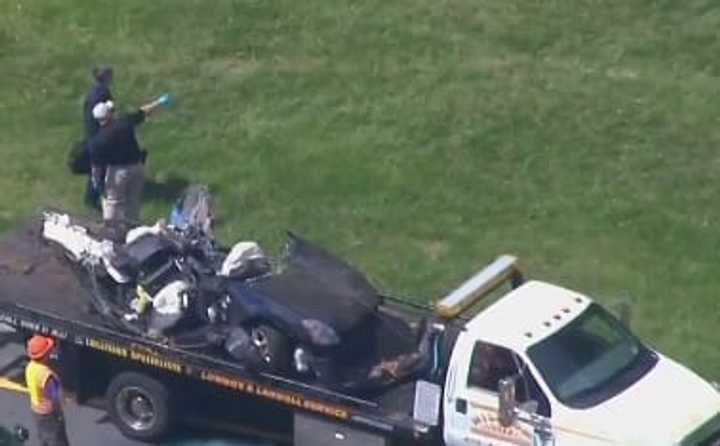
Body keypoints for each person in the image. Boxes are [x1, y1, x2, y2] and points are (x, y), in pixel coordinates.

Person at [88, 94, 172, 223]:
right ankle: (133, 229)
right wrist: (159, 102)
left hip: (117, 173)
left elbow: (97, 167)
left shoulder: (98, 141)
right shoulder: (125, 122)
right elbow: (143, 112)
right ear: (109, 114)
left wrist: (98, 184)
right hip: (137, 167)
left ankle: (111, 231)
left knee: (113, 203)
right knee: (133, 203)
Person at [24, 335, 70, 446]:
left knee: (44, 439)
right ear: (45, 354)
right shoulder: (46, 375)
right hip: (49, 415)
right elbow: (54, 397)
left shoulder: (30, 367)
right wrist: (59, 412)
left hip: (37, 411)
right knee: (57, 441)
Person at [83, 67, 114, 209]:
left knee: (95, 168)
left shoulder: (92, 91)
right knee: (99, 169)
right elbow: (109, 113)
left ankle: (91, 196)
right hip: (100, 134)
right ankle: (94, 197)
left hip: (90, 132)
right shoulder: (104, 93)